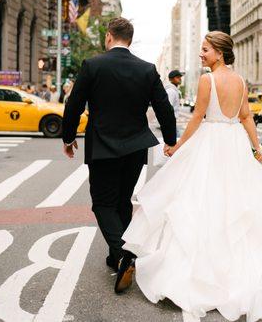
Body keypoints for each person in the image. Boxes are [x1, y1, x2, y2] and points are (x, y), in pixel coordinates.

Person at [121, 32, 262, 321]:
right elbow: (246, 117)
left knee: (203, 200)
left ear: (219, 53)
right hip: (235, 144)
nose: (201, 54)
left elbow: (197, 118)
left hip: (211, 142)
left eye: (205, 50)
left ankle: (203, 273)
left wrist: (177, 146)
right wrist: (257, 148)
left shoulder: (208, 80)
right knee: (237, 202)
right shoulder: (241, 81)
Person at [61, 17, 176, 292]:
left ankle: (124, 252)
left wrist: (68, 137)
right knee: (122, 201)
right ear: (130, 39)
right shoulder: (147, 70)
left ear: (109, 36)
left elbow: (74, 104)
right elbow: (164, 108)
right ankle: (117, 258)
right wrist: (170, 141)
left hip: (102, 146)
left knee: (102, 203)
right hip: (136, 147)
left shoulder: (93, 65)